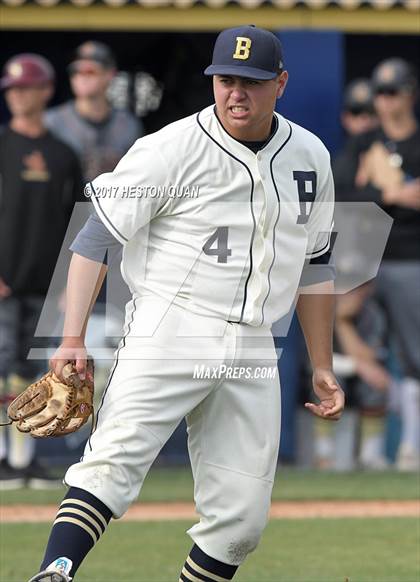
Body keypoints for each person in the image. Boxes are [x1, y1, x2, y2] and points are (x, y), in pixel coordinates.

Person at [28, 26, 344, 582]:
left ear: (281, 83)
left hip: (253, 342)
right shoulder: (169, 148)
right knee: (111, 463)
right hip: (171, 325)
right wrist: (71, 336)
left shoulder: (310, 155)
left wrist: (322, 365)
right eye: (225, 80)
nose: (235, 93)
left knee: (241, 521)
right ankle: (55, 572)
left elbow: (316, 264)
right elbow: (95, 237)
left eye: (251, 81)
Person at [0, 54, 84, 489]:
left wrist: (70, 282)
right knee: (1, 368)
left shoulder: (63, 154)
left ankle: (24, 460)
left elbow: (76, 223)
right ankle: (3, 459)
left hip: (47, 282)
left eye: (26, 87)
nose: (17, 95)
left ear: (46, 91)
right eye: (12, 89)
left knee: (35, 374)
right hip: (4, 281)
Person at [334, 57, 420, 471]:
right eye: (380, 93)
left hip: (410, 256)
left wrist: (385, 188)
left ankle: (410, 447)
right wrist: (395, 194)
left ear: (409, 94)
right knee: (346, 338)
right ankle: (347, 455)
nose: (385, 101)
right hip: (364, 258)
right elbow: (345, 194)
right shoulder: (363, 143)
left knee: (413, 356)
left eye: (392, 92)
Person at [44, 40, 142, 183]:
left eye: (90, 72)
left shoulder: (128, 125)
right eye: (76, 72)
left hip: (112, 203)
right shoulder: (51, 122)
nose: (82, 78)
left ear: (110, 74)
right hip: (68, 205)